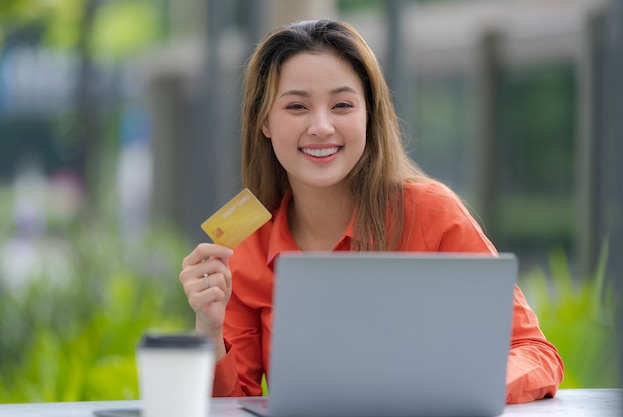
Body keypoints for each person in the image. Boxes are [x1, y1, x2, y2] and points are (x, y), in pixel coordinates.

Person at [179, 19, 564, 404]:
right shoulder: (244, 245)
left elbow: (536, 354)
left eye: (342, 105)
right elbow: (230, 403)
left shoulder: (433, 214)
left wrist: (450, 390)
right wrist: (209, 329)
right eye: (297, 106)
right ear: (264, 121)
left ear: (369, 115)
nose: (321, 126)